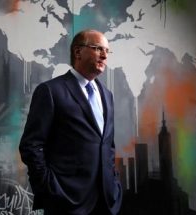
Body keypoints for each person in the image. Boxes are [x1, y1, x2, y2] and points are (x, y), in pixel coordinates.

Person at [19, 29, 122, 215]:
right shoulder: (50, 91)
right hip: (65, 201)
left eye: (107, 50)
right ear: (78, 52)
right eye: (98, 48)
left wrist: (114, 185)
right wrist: (50, 188)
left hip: (106, 202)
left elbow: (108, 145)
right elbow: (31, 145)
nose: (105, 55)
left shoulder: (107, 95)